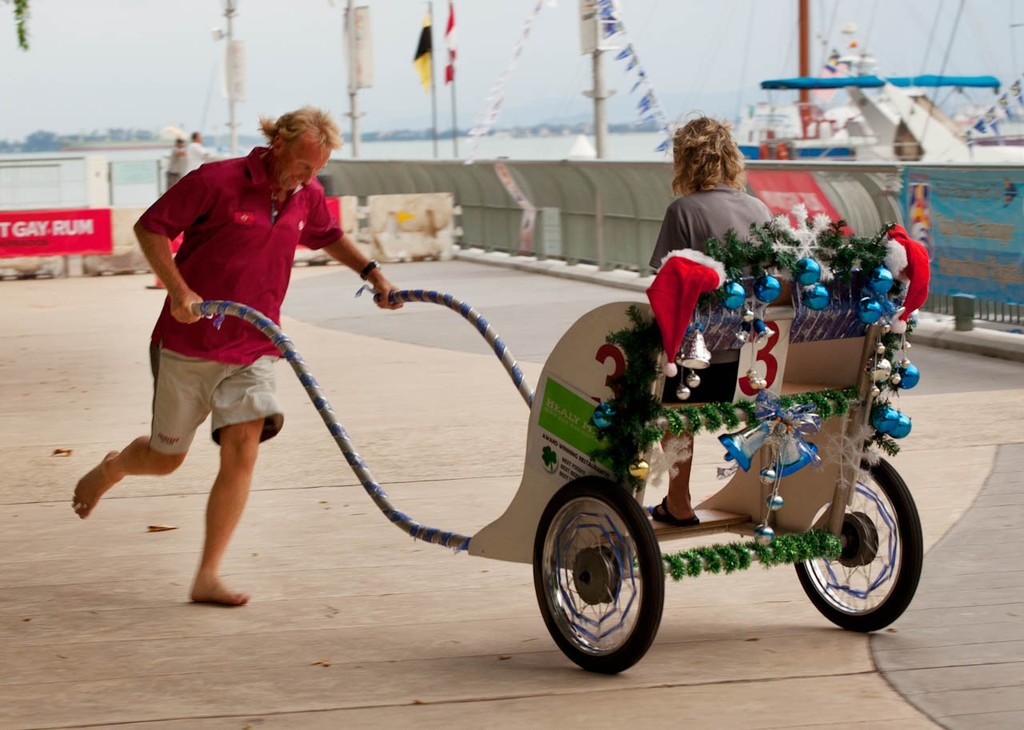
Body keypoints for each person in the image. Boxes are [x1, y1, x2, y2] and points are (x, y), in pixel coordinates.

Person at [72, 106, 403, 606]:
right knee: (165, 460)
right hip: (189, 342)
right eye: (301, 165)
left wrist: (373, 273)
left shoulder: (306, 194)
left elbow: (328, 234)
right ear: (277, 146)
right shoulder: (216, 181)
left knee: (243, 445)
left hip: (255, 345)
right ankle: (115, 467)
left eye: (317, 169)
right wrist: (179, 291)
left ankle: (208, 574)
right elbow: (150, 229)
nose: (308, 178)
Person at [647, 116, 772, 527]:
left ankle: (677, 501)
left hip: (698, 374)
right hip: (753, 371)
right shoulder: (759, 209)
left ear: (686, 161)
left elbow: (664, 289)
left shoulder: (682, 212)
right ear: (730, 158)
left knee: (660, 371)